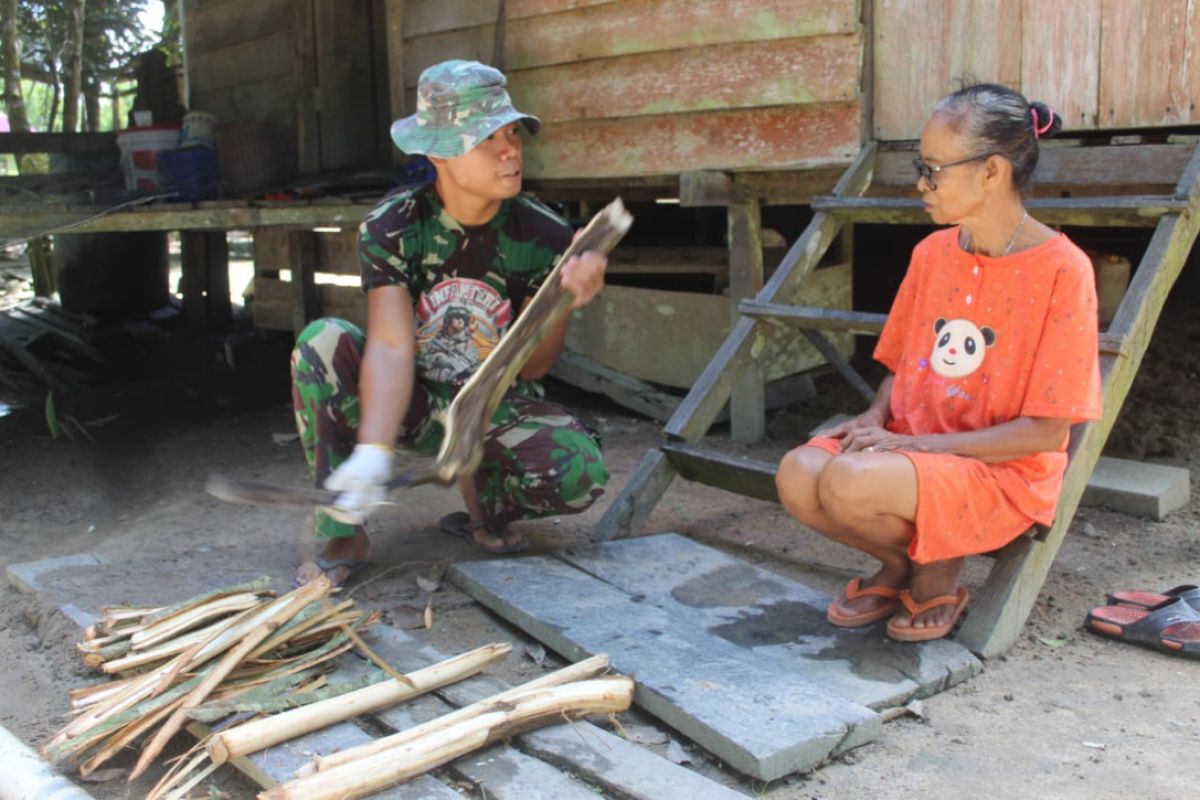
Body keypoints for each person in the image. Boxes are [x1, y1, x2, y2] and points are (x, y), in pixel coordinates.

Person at [775, 83, 1102, 642]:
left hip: (1002, 469)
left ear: (992, 171)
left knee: (850, 480)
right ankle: (902, 567)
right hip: (913, 447)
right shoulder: (930, 255)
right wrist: (878, 418)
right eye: (919, 167)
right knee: (799, 475)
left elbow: (1048, 430)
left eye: (933, 169)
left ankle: (938, 571)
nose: (920, 184)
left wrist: (919, 447)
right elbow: (903, 366)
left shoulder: (1063, 271)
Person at [291, 60, 610, 586]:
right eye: (486, 137)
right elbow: (392, 347)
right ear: (437, 151)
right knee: (321, 344)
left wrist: (565, 301)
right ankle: (343, 524)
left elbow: (534, 367)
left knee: (581, 473)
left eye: (512, 133)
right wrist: (373, 452)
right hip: (411, 399)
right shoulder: (392, 227)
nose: (510, 149)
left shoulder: (546, 234)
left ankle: (483, 498)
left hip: (489, 403)